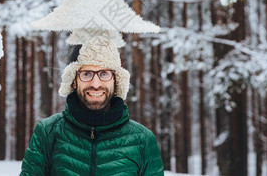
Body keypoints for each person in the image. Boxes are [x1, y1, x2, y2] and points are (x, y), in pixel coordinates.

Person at [20, 37, 164, 175]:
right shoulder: (47, 133)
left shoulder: (143, 140)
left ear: (116, 80)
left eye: (104, 73)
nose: (96, 84)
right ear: (74, 81)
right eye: (87, 74)